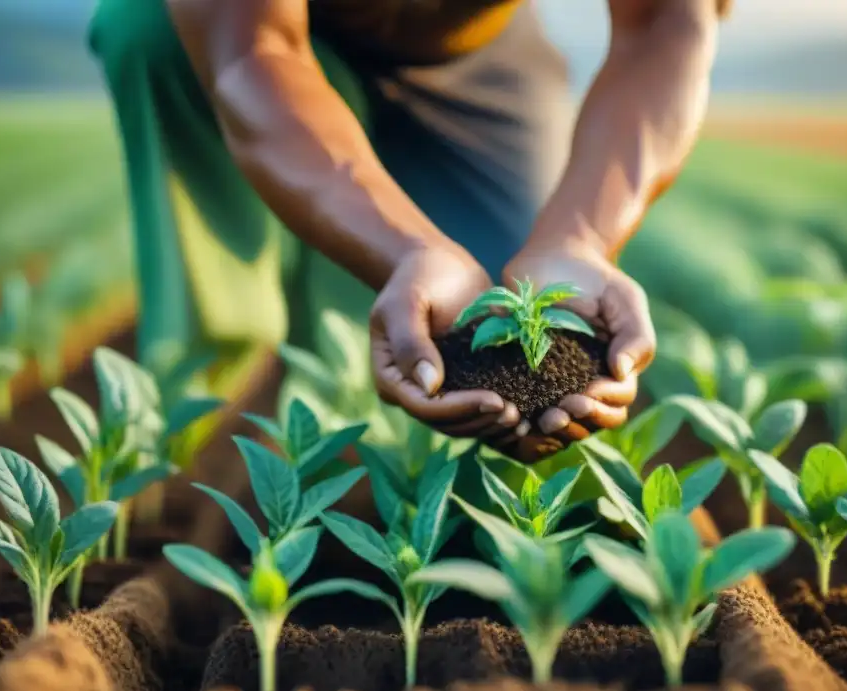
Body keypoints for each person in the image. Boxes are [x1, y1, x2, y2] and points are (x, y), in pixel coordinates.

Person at [87, 0, 728, 463]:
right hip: (251, 41)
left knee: (500, 375)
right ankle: (197, 416)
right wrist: (405, 250)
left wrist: (579, 238)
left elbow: (668, 21)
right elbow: (253, 50)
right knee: (146, 27)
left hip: (471, 49)